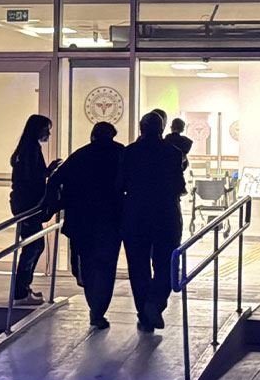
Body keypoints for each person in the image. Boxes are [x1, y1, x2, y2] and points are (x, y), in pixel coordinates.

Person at [45, 122, 125, 328]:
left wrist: (53, 206)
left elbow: (55, 180)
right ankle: (98, 310)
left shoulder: (81, 155)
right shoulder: (120, 153)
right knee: (106, 267)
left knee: (87, 265)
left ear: (93, 135)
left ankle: (94, 305)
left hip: (81, 220)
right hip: (111, 220)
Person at [120, 111, 187, 331]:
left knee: (138, 265)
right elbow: (179, 186)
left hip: (136, 214)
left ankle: (144, 313)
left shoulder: (129, 152)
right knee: (166, 263)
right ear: (161, 129)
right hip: (166, 214)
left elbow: (120, 184)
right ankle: (155, 304)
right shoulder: (173, 153)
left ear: (141, 129)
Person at [10, 114, 59, 306]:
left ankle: (23, 288)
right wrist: (48, 174)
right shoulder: (31, 149)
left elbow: (31, 176)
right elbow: (32, 179)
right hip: (28, 205)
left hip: (24, 204)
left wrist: (48, 171)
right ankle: (21, 291)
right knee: (33, 246)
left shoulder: (26, 149)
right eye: (47, 129)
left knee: (34, 245)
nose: (48, 133)